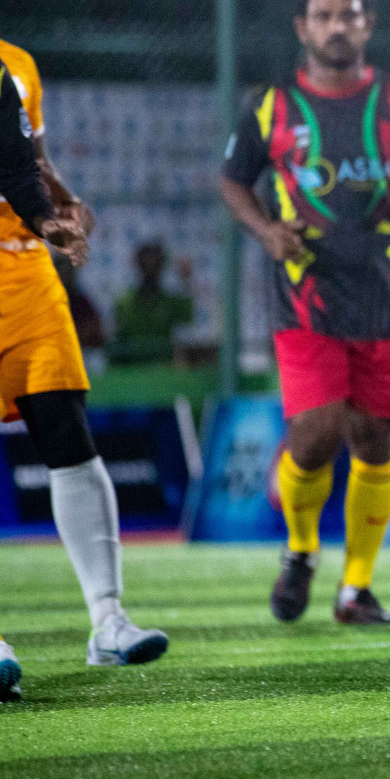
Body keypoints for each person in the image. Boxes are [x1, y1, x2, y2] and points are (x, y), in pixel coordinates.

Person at [221, 0, 390, 627]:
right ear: (303, 29)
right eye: (323, 16)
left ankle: (356, 588)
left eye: (348, 16)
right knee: (317, 432)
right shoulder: (270, 108)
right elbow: (234, 182)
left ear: (367, 24)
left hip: (387, 300)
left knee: (377, 440)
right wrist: (267, 232)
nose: (336, 26)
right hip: (306, 296)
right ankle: (300, 551)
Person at [0, 50, 164, 703]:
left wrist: (62, 204)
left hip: (20, 265)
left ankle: (108, 621)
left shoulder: (13, 65)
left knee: (66, 427)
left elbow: (23, 157)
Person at [109, 243, 194, 365]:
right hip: (131, 373)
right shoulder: (124, 304)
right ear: (138, 265)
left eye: (156, 264)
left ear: (162, 267)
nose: (150, 268)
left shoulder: (169, 302)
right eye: (145, 264)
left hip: (163, 371)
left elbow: (188, 316)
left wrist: (186, 280)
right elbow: (116, 344)